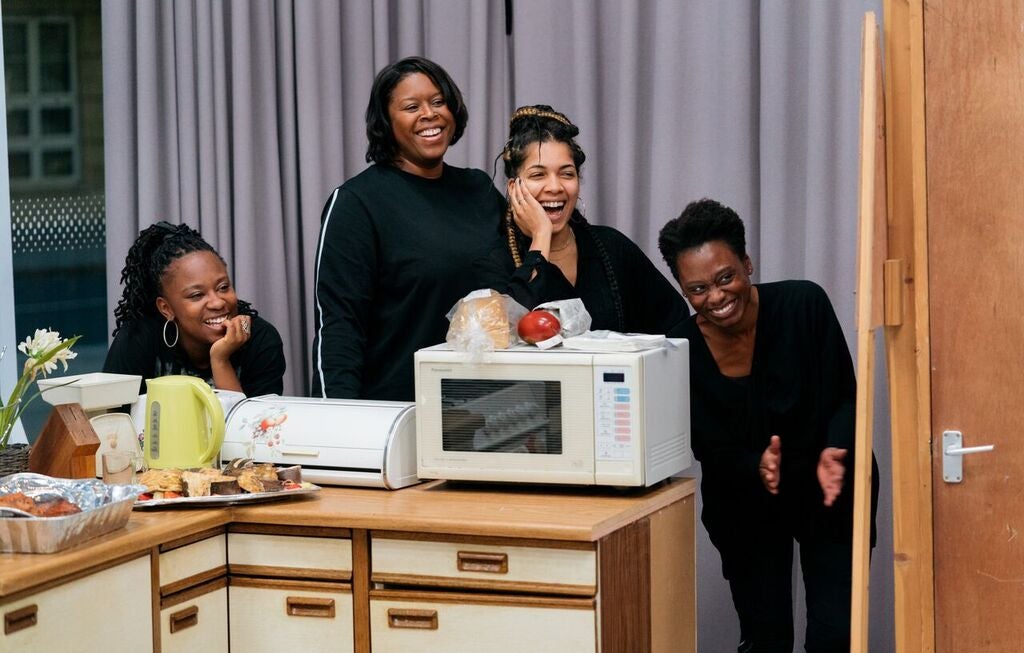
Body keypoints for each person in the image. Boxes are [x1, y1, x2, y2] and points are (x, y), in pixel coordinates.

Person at [657, 198, 878, 653]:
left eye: (725, 277)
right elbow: (703, 446)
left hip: (828, 486)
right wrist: (752, 465)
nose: (716, 297)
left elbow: (845, 395)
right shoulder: (679, 349)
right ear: (682, 289)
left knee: (835, 636)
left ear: (747, 264)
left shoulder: (804, 303)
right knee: (766, 638)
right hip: (746, 502)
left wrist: (836, 451)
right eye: (697, 289)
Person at [311, 56, 504, 401]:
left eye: (438, 101)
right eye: (411, 106)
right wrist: (340, 420)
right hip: (397, 411)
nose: (429, 114)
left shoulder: (480, 190)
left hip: (488, 407)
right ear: (386, 121)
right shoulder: (357, 203)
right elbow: (340, 327)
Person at [479, 105, 688, 334]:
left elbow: (675, 321)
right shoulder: (493, 263)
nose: (555, 187)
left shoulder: (611, 246)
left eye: (567, 174)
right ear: (514, 187)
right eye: (538, 175)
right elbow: (501, 335)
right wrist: (541, 237)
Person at [103, 221, 285, 396]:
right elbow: (111, 420)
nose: (217, 303)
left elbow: (250, 426)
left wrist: (220, 360)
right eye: (197, 295)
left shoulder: (260, 338)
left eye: (223, 287)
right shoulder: (137, 340)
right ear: (166, 308)